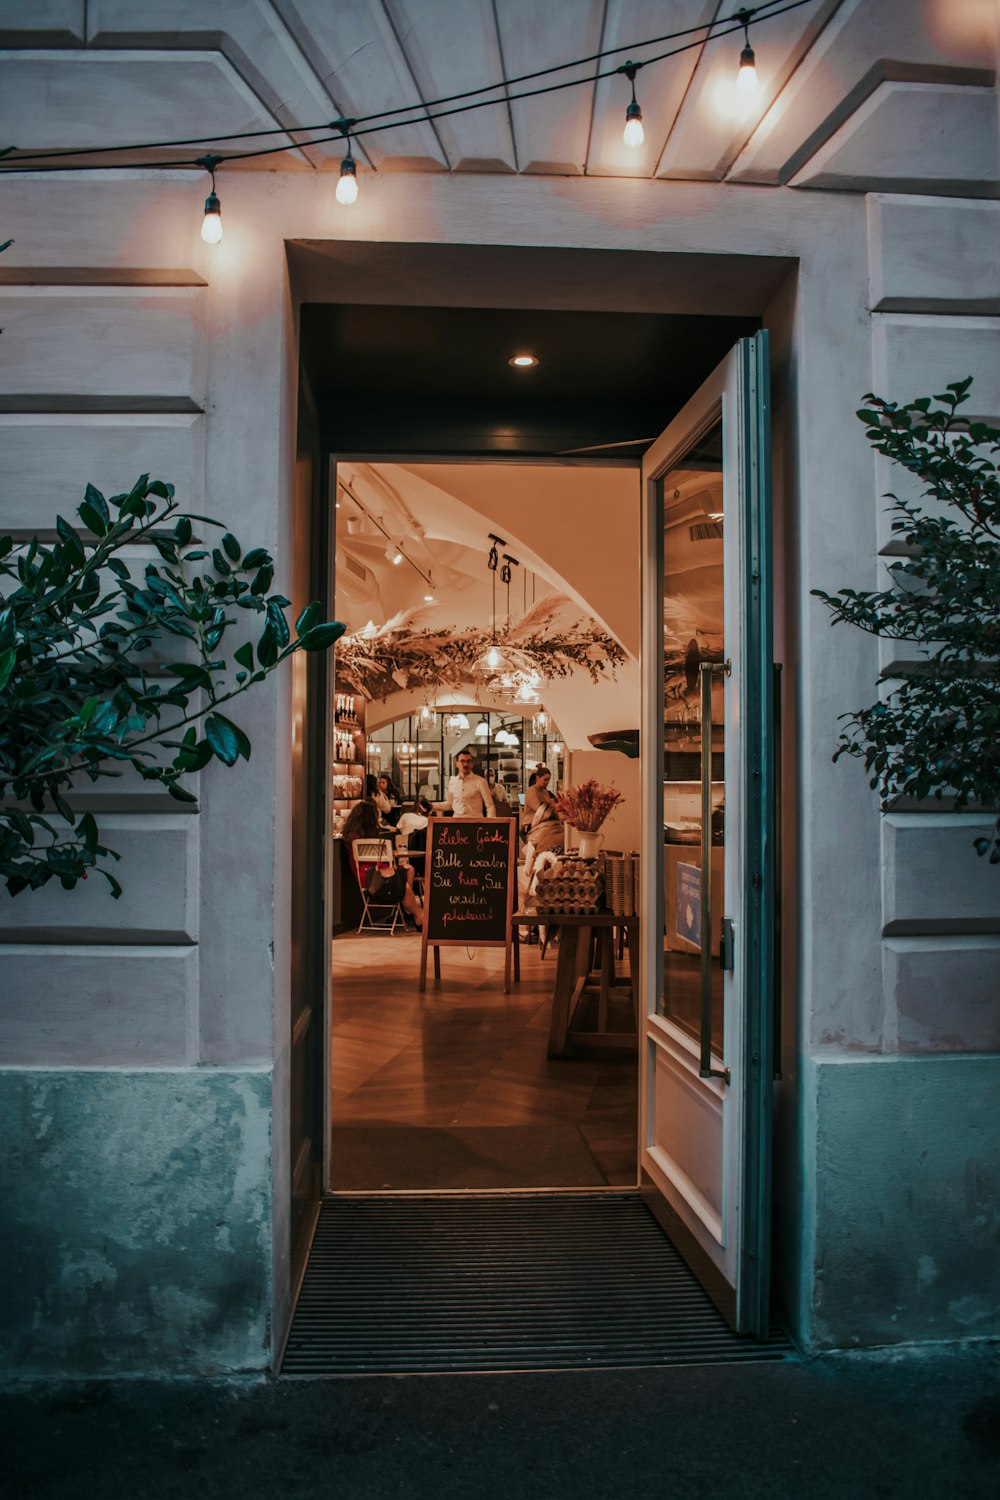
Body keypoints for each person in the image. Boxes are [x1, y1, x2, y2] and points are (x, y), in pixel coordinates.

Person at [341, 798, 423, 925]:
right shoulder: (370, 839)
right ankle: (417, 916)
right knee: (405, 883)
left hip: (367, 876)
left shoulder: (352, 838)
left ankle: (406, 911)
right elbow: (376, 864)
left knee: (409, 871)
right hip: (374, 877)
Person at [446, 748, 496, 817]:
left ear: (472, 764)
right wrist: (431, 805)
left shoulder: (481, 782)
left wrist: (490, 825)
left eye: (469, 761)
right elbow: (448, 804)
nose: (466, 764)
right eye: (462, 761)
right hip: (456, 824)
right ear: (457, 764)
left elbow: (490, 806)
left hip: (476, 824)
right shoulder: (452, 782)